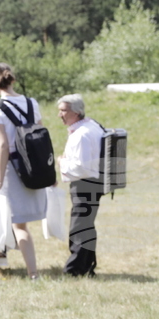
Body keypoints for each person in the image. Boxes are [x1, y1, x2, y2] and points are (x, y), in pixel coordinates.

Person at [0, 63, 46, 281]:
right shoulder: (32, 103)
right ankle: (33, 274)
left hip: (8, 169)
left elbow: (1, 146)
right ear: (13, 80)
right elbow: (40, 135)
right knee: (21, 226)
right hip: (29, 168)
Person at [57, 94, 105, 276]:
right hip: (94, 183)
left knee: (79, 227)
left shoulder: (81, 135)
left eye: (63, 111)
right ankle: (87, 267)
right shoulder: (92, 126)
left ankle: (74, 270)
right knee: (86, 225)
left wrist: (62, 162)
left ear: (76, 113)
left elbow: (81, 168)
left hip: (85, 184)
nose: (60, 115)